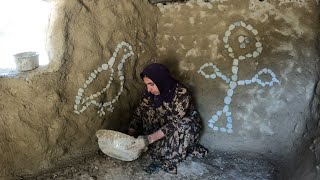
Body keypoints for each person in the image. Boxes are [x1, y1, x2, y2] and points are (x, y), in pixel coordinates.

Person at [127, 63, 208, 174]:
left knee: (186, 123)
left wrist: (149, 139)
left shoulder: (181, 93)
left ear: (161, 80)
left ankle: (173, 152)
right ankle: (161, 147)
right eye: (147, 85)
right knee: (147, 110)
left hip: (180, 130)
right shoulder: (149, 94)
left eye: (151, 84)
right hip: (162, 131)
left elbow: (174, 123)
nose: (149, 89)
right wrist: (130, 135)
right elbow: (139, 113)